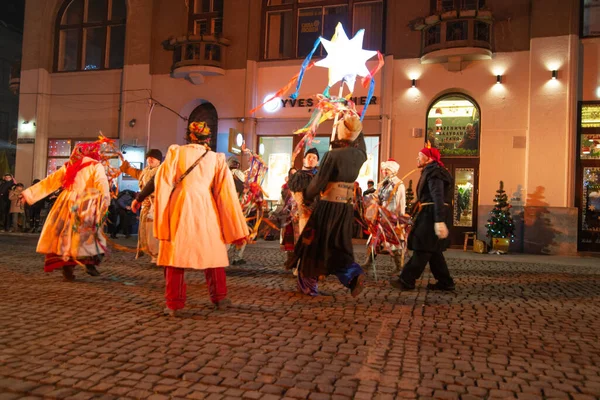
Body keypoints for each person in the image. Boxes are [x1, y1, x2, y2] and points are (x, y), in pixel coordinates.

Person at [133, 121, 249, 316]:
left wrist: (145, 201)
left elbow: (161, 182)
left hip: (180, 205)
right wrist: (235, 226)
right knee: (212, 252)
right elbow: (225, 193)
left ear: (190, 136)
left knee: (175, 255)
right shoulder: (217, 158)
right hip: (206, 207)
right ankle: (219, 297)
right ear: (208, 138)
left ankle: (174, 303)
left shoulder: (176, 153)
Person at [291, 110, 367, 297]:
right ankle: (352, 275)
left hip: (328, 206)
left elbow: (318, 183)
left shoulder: (332, 156)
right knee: (339, 244)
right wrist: (354, 121)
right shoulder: (360, 155)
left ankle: (308, 285)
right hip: (345, 208)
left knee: (312, 243)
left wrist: (307, 196)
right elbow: (361, 143)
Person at [20, 139, 111, 281]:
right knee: (87, 235)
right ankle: (89, 261)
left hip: (65, 202)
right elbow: (102, 183)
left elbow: (50, 182)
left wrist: (29, 194)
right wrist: (105, 201)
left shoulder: (69, 165)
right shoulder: (95, 165)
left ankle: (67, 270)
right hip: (85, 203)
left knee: (63, 236)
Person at [391, 145, 455, 291]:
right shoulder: (431, 171)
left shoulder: (435, 173)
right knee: (433, 250)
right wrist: (410, 213)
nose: (417, 158)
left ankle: (406, 280)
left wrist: (439, 221)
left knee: (423, 247)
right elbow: (424, 198)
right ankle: (445, 282)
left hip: (432, 215)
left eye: (420, 155)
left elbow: (437, 196)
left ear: (429, 158)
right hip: (429, 212)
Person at [363, 159, 406, 271]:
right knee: (374, 240)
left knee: (394, 242)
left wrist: (400, 220)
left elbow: (402, 203)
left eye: (387, 169)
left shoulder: (399, 184)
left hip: (392, 216)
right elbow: (377, 197)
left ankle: (399, 266)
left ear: (393, 170)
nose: (385, 172)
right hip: (381, 216)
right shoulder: (382, 183)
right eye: (383, 170)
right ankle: (368, 263)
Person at [119, 149, 162, 262]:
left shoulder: (161, 171)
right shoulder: (145, 171)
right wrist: (127, 168)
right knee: (147, 230)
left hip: (157, 205)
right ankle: (152, 252)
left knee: (154, 230)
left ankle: (157, 255)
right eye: (149, 157)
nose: (150, 159)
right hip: (145, 205)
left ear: (159, 160)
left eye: (153, 157)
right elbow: (137, 174)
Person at [287, 147, 319, 289]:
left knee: (316, 243)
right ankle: (301, 269)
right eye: (309, 156)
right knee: (303, 241)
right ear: (304, 159)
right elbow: (297, 194)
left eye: (314, 157)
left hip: (318, 213)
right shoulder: (299, 175)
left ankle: (314, 270)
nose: (311, 159)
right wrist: (303, 208)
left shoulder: (319, 175)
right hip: (304, 213)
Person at [227, 156, 248, 265]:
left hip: (232, 210)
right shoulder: (233, 176)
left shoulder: (226, 176)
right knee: (237, 235)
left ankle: (233, 257)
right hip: (236, 211)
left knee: (230, 235)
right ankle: (236, 257)